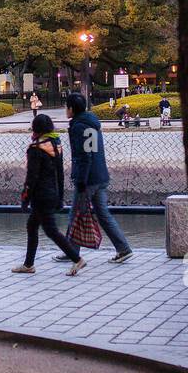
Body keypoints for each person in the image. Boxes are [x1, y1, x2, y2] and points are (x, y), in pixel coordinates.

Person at [59, 92, 134, 264]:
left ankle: (71, 252)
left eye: (66, 107)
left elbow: (85, 156)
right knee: (102, 214)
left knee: (75, 213)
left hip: (89, 179)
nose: (65, 110)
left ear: (71, 109)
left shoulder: (79, 126)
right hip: (100, 175)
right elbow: (92, 152)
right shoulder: (90, 122)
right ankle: (123, 249)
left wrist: (81, 180)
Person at [13, 113, 85, 276]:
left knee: (51, 230)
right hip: (52, 193)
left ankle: (77, 259)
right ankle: (28, 264)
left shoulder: (35, 149)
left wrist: (25, 198)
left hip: (41, 196)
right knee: (32, 226)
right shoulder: (55, 144)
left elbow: (31, 177)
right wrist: (60, 197)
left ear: (36, 129)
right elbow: (60, 174)